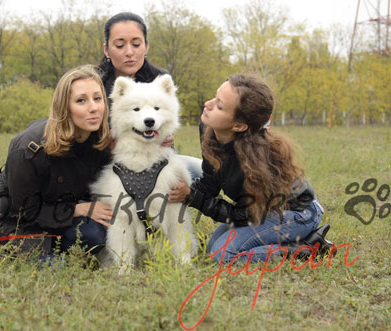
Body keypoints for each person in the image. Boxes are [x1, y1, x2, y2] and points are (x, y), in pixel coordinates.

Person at [169, 74, 333, 263]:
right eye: (215, 97)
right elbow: (210, 183)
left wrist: (192, 196)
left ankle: (308, 248)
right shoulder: (209, 129)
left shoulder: (257, 163)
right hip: (261, 211)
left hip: (297, 212)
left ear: (239, 125)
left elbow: (240, 215)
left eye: (219, 106)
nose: (208, 103)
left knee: (222, 255)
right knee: (213, 245)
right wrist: (180, 189)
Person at [0, 65, 113, 258]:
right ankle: (3, 249)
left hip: (61, 214)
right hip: (18, 222)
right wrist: (79, 209)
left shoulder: (99, 142)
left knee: (94, 236)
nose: (93, 107)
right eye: (81, 100)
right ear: (64, 106)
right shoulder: (30, 148)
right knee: (54, 269)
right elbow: (24, 212)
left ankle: (53, 249)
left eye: (98, 98)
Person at [98, 12, 202, 179]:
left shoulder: (160, 79)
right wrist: (105, 144)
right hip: (103, 164)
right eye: (119, 45)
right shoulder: (93, 84)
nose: (129, 52)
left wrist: (166, 140)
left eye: (136, 44)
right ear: (107, 50)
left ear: (146, 46)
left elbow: (166, 126)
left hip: (153, 160)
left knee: (198, 170)